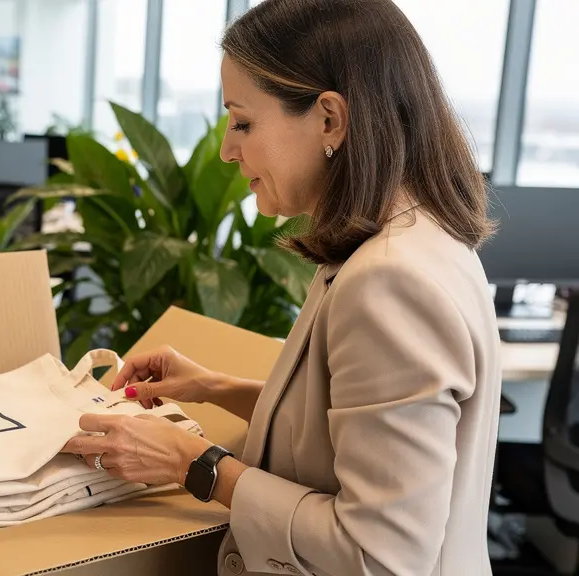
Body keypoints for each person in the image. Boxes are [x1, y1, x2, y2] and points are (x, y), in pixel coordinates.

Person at [61, 1, 502, 575]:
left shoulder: (390, 281)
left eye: (243, 121)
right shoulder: (411, 240)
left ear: (329, 120)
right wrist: (214, 386)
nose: (227, 148)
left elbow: (379, 557)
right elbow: (348, 429)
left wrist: (193, 462)